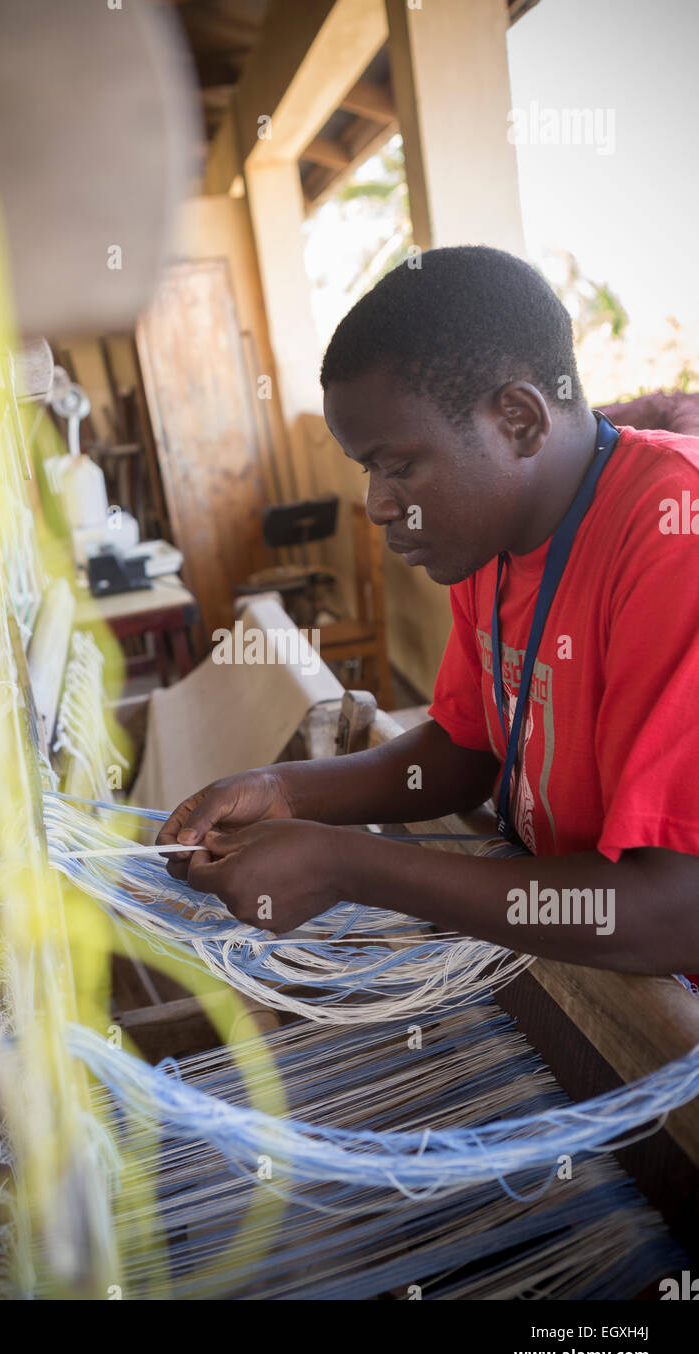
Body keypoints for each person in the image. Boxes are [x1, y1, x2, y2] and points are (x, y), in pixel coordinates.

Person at [157, 246, 699, 977]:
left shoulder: (674, 534)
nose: (378, 504)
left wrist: (348, 865)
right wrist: (284, 791)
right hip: (586, 971)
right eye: (367, 468)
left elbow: (669, 914)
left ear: (518, 419)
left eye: (399, 465)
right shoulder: (495, 536)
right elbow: (466, 751)